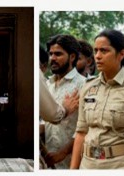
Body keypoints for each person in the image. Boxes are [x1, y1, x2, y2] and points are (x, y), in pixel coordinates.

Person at [70, 29, 124, 169]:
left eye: (104, 51)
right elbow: (81, 132)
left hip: (119, 165)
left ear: (121, 54)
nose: (97, 56)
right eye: (95, 51)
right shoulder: (88, 87)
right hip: (87, 164)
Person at [43, 34, 86, 169]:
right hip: (49, 159)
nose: (52, 58)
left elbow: (86, 128)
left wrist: (63, 152)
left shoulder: (83, 85)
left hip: (73, 161)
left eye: (58, 54)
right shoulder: (47, 84)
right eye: (51, 54)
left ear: (72, 57)